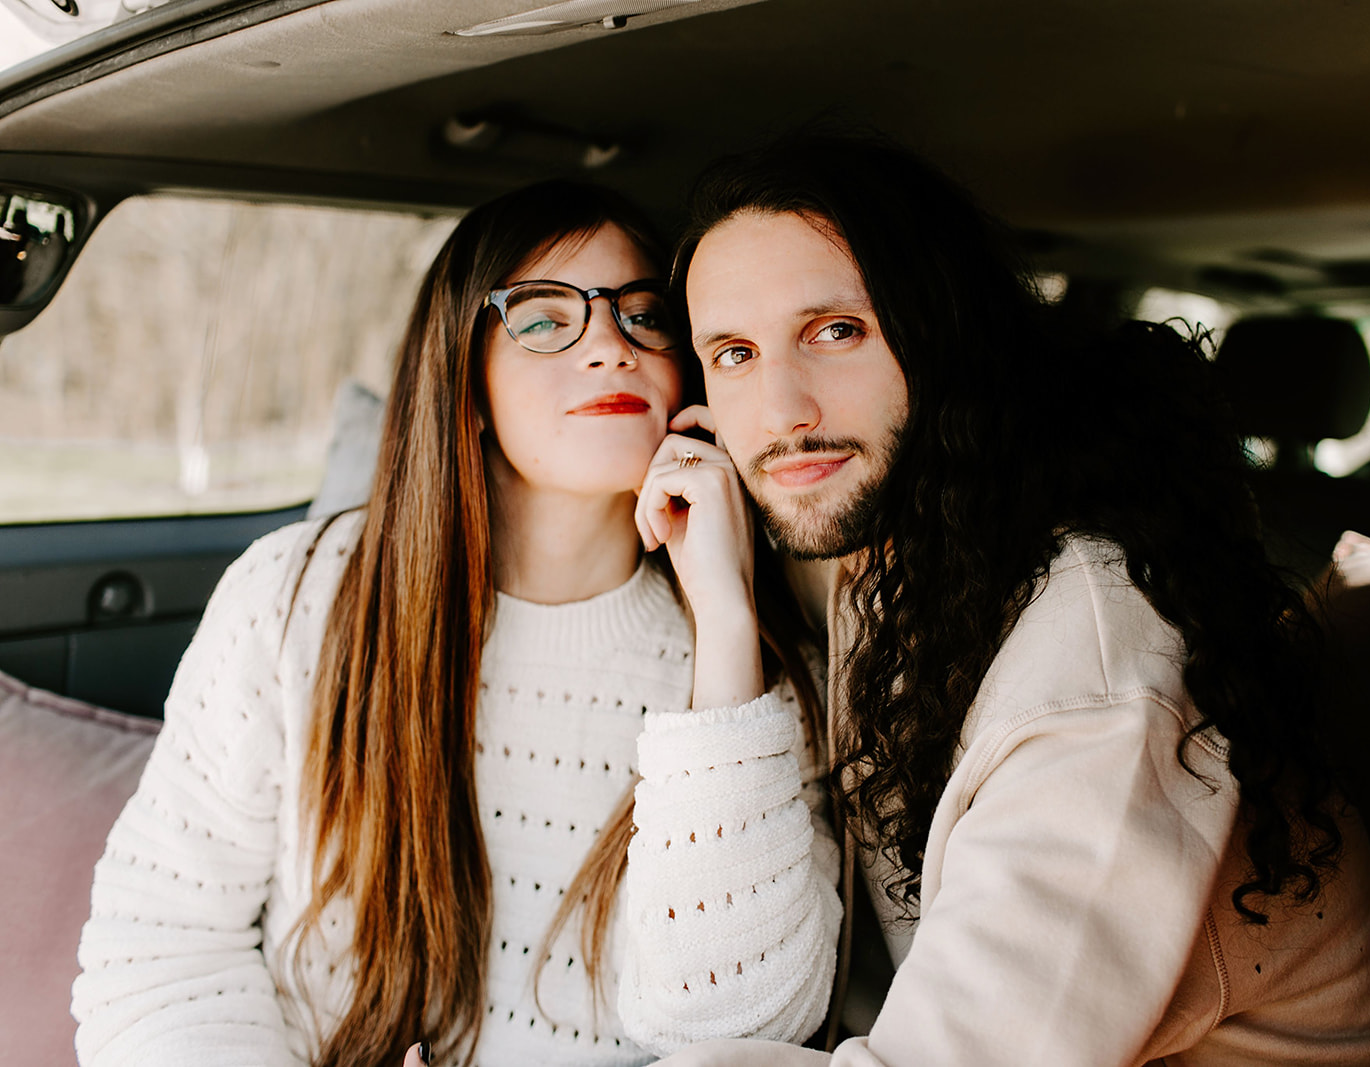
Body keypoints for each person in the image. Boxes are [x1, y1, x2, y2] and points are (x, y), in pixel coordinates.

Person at [654, 133, 1370, 1065]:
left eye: (837, 331)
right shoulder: (898, 566)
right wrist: (722, 608)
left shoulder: (1096, 670)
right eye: (733, 353)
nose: (781, 411)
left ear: (947, 341)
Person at [71, 181, 841, 1067]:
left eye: (644, 316)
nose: (610, 346)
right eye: (546, 320)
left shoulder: (752, 664)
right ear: (464, 377)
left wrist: (727, 620)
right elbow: (161, 944)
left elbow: (744, 1031)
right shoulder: (297, 595)